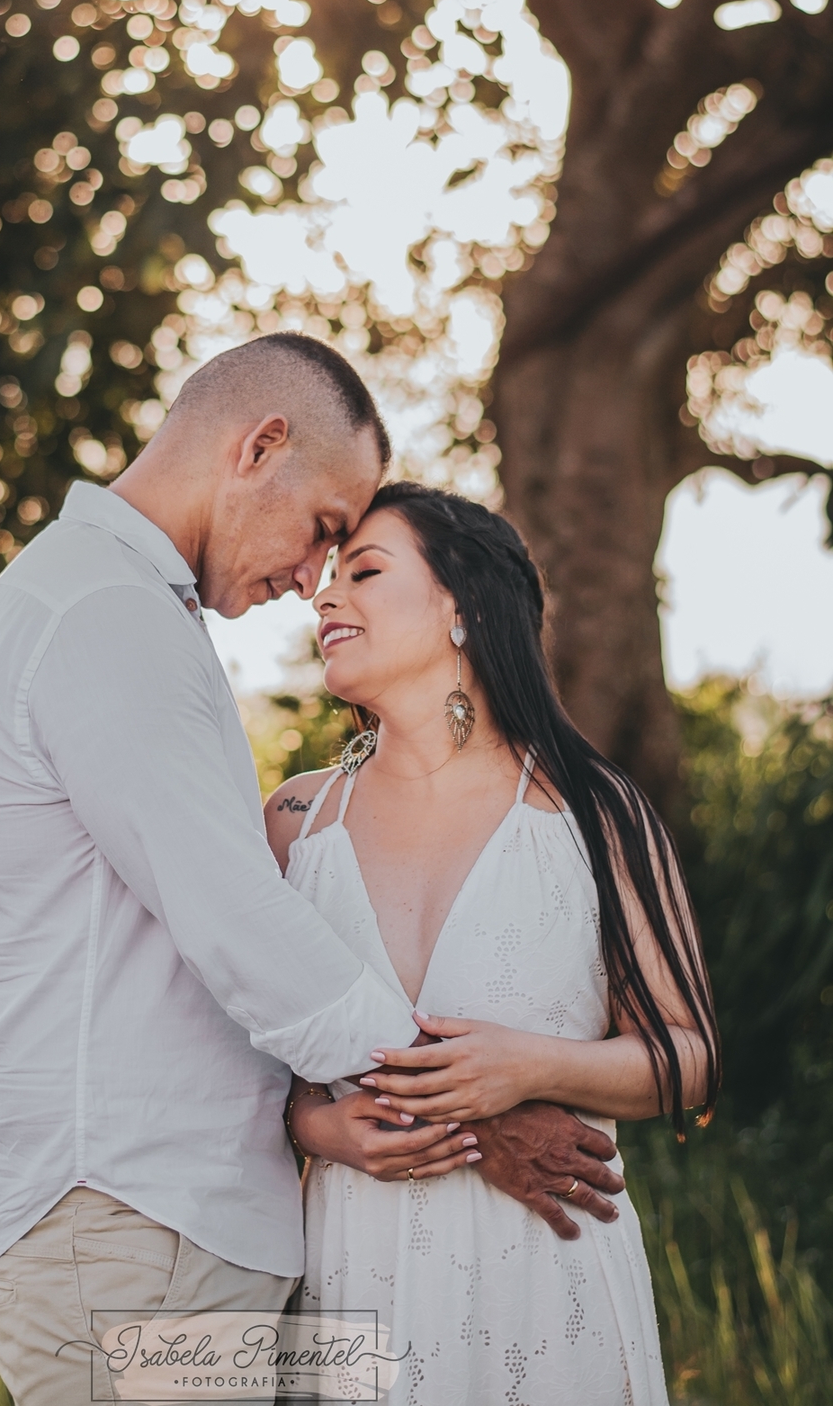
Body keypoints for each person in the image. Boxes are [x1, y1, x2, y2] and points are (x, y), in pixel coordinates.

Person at [0, 335, 625, 1405]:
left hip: (160, 1225)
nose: (313, 579)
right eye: (323, 529)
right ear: (258, 447)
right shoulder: (104, 613)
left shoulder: (120, 606)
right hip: (128, 1220)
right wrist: (474, 1113)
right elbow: (238, 920)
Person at [268, 480, 720, 1406]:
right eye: (329, 576)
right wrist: (317, 1127)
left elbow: (690, 1056)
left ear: (461, 606)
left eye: (364, 571)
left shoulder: (593, 810)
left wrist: (530, 1066)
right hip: (350, 1272)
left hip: (541, 1275)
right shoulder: (293, 820)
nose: (324, 595)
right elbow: (242, 1070)